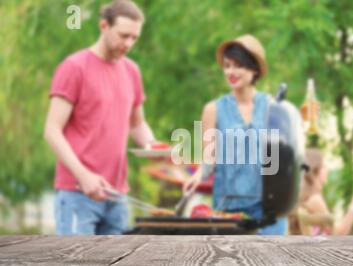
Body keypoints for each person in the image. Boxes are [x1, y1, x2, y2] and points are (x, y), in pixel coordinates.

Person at [44, 0, 158, 235]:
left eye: (134, 38)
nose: (128, 44)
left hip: (117, 197)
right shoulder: (74, 68)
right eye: (123, 35)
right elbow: (52, 131)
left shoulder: (131, 71)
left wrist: (156, 149)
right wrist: (84, 176)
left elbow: (137, 125)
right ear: (104, 25)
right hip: (77, 193)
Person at [182, 34, 288, 235]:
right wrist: (198, 175)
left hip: (268, 207)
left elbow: (283, 158)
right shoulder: (213, 109)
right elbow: (209, 158)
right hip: (228, 209)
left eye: (238, 65)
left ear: (254, 69)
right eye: (227, 65)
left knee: (273, 264)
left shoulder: (272, 107)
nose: (231, 71)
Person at [289, 149, 353, 235]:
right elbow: (339, 234)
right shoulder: (315, 200)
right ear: (315, 169)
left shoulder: (306, 197)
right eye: (324, 166)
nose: (328, 170)